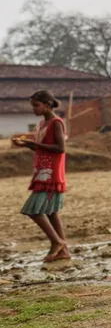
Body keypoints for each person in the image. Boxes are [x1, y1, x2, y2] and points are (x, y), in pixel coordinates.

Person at [12, 90, 70, 263]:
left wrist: (34, 143)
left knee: (32, 210)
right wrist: (27, 145)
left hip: (50, 173)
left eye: (36, 105)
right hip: (42, 171)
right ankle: (63, 251)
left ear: (47, 105)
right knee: (51, 213)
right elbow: (43, 147)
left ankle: (57, 242)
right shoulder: (41, 124)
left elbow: (60, 148)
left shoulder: (56, 123)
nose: (34, 109)